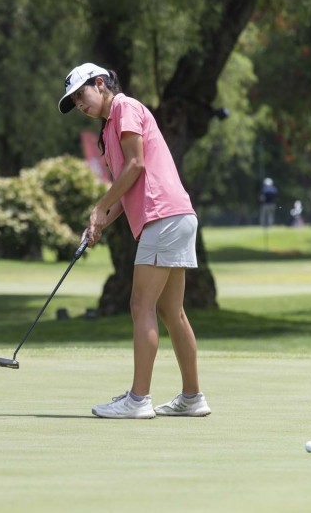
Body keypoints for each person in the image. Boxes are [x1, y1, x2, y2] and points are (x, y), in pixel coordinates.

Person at [58, 62, 211, 419]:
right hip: (174, 215)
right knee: (171, 311)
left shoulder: (124, 107)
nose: (79, 105)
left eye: (81, 95)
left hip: (163, 217)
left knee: (141, 304)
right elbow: (127, 191)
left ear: (100, 83)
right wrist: (100, 223)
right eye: (74, 102)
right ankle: (192, 397)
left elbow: (136, 165)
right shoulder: (109, 128)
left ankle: (138, 399)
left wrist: (99, 206)